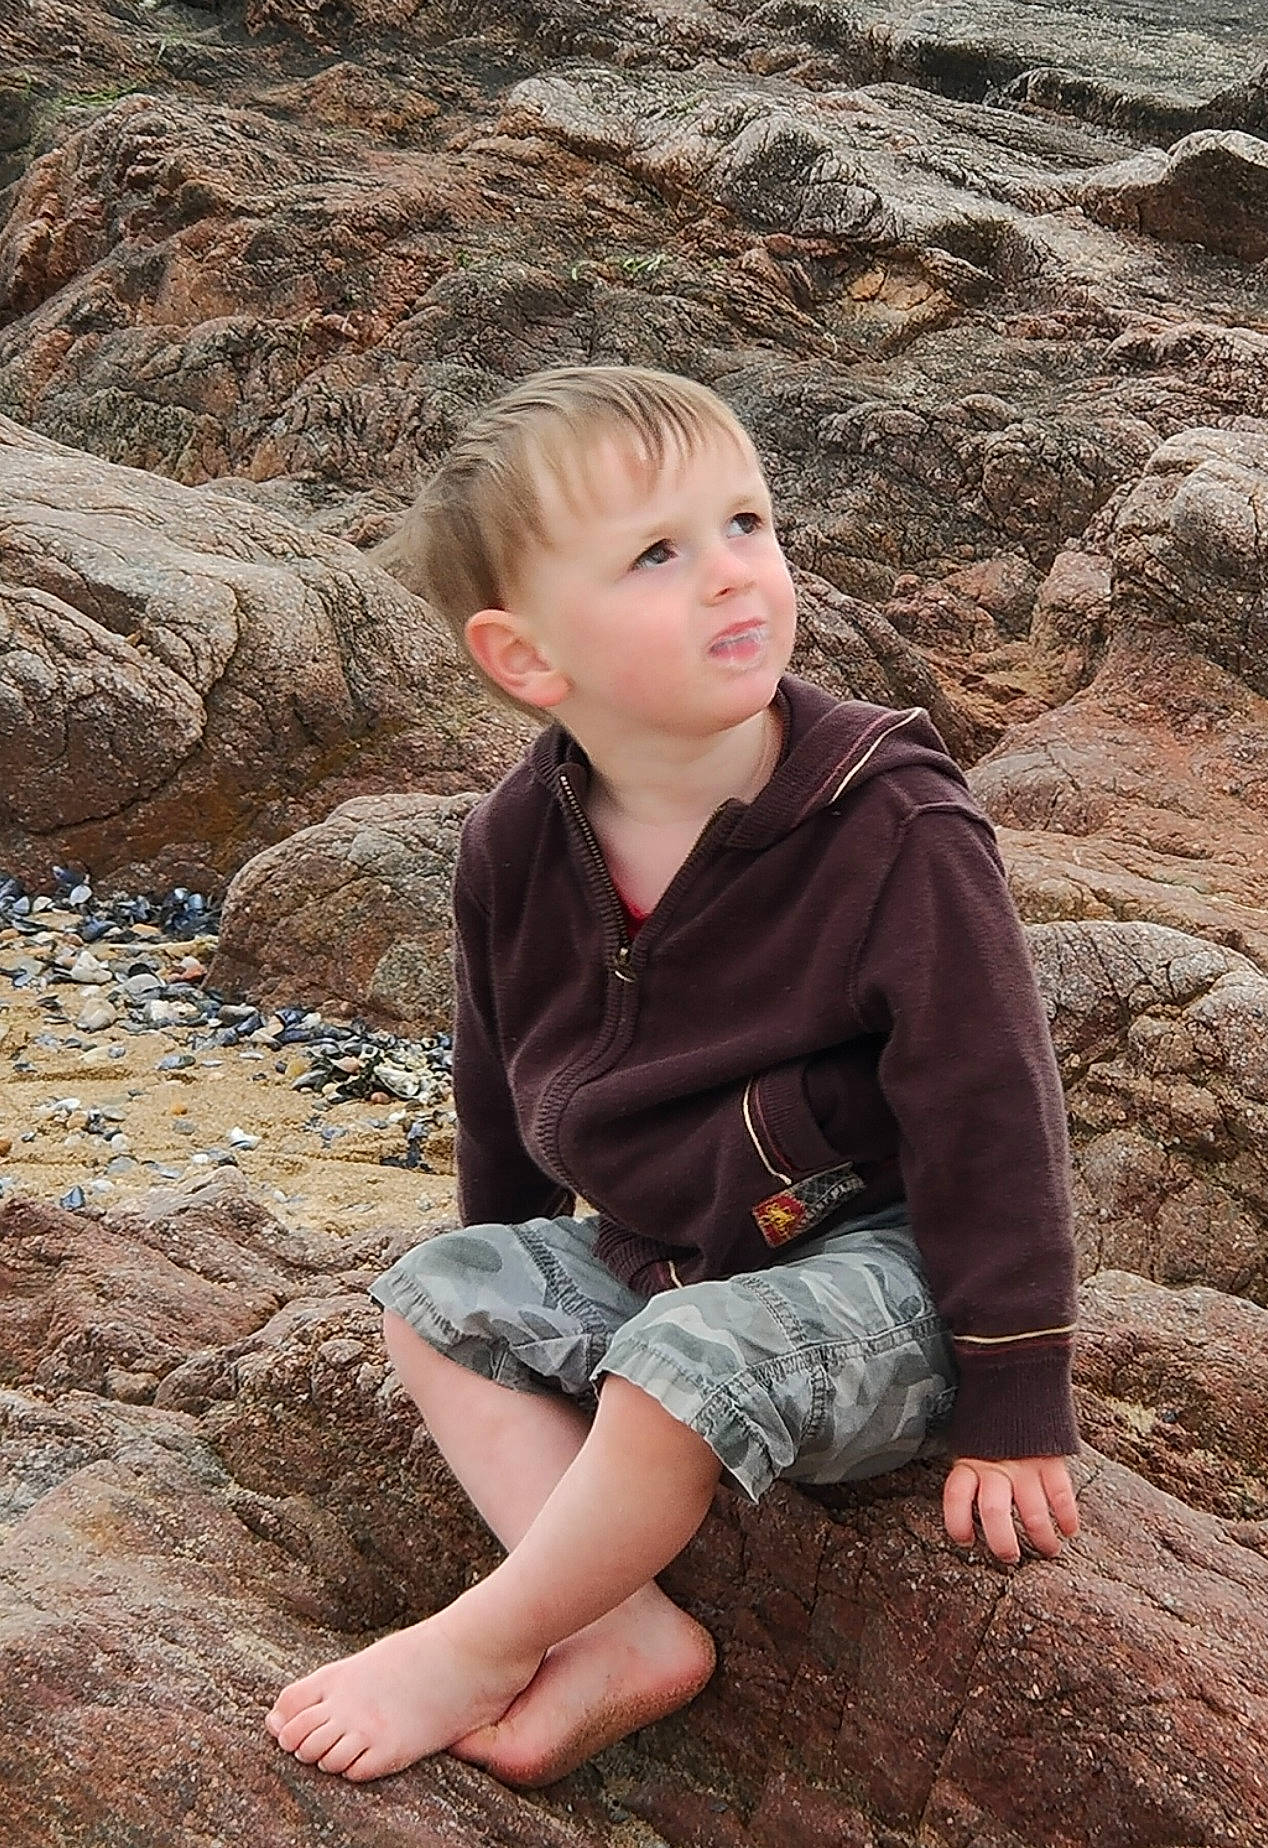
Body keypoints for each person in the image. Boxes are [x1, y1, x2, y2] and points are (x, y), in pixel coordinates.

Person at [266, 365, 1082, 1787]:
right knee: (436, 1296)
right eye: (659, 553)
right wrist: (515, 1261)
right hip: (667, 1263)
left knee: (680, 1364)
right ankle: (620, 1626)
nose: (731, 578)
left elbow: (992, 1106)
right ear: (527, 660)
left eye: (746, 523)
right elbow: (499, 1082)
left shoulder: (889, 821)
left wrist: (1016, 1393)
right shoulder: (517, 841)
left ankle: (480, 1639)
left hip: (889, 1282)